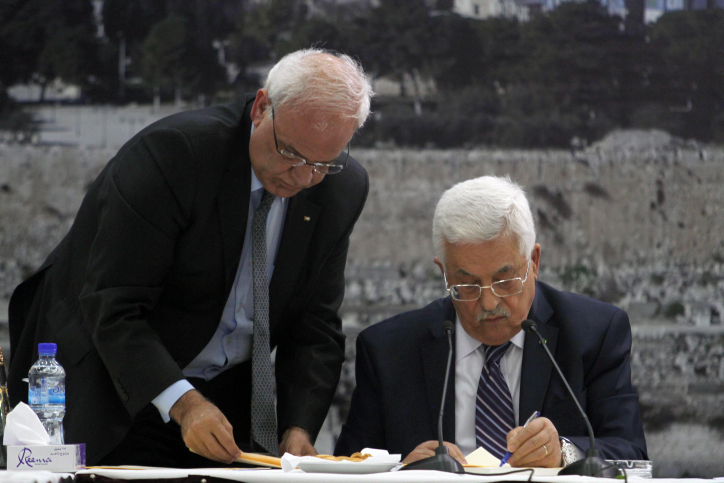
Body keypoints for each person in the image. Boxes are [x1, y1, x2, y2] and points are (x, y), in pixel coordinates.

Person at [8, 48, 373, 467]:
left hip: (227, 399)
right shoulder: (175, 156)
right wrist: (184, 404)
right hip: (115, 385)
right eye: (291, 153)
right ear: (260, 108)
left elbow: (317, 324)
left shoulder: (341, 190)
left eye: (322, 164)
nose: (303, 177)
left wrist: (299, 428)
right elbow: (113, 305)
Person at [335, 175, 647, 468]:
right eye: (468, 285)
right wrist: (401, 471)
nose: (489, 303)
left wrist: (564, 452)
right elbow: (346, 466)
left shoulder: (594, 332)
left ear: (534, 262)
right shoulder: (388, 349)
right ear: (443, 273)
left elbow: (632, 454)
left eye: (505, 280)